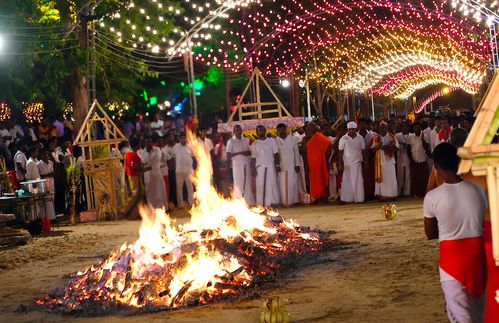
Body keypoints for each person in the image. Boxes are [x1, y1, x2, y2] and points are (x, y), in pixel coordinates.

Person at [423, 143, 486, 322]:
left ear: (435, 166)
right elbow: (481, 222)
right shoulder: (477, 191)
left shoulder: (432, 197)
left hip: (452, 262)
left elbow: (429, 233)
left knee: (461, 316)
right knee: (479, 314)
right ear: (459, 161)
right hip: (478, 259)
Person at [251, 125, 279, 207]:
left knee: (271, 184)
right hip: (259, 168)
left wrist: (277, 165)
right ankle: (260, 204)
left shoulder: (272, 141)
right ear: (257, 132)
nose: (261, 132)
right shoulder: (254, 144)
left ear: (265, 131)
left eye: (263, 130)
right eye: (259, 130)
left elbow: (276, 154)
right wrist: (253, 169)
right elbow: (253, 158)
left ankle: (271, 203)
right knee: (260, 186)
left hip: (270, 166)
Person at [338, 122, 366, 203]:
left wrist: (366, 161)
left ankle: (359, 199)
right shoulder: (343, 138)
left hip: (357, 163)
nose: (351, 131)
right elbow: (340, 152)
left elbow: (364, 150)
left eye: (353, 129)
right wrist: (340, 164)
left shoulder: (360, 138)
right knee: (347, 181)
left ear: (355, 129)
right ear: (347, 130)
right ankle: (347, 199)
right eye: (350, 129)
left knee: (358, 181)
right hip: (347, 164)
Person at [227, 125, 254, 205]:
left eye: (240, 129)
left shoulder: (246, 140)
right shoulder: (231, 141)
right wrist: (240, 153)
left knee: (247, 182)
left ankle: (249, 202)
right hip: (236, 166)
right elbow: (228, 155)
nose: (239, 131)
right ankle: (238, 203)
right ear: (234, 131)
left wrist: (246, 153)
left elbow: (251, 152)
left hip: (246, 164)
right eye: (237, 130)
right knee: (238, 183)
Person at [372, 121, 399, 200]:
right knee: (383, 180)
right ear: (379, 128)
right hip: (380, 161)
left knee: (391, 179)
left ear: (387, 128)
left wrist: (388, 148)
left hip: (390, 161)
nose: (383, 128)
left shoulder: (392, 137)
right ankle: (383, 195)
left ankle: (392, 195)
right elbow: (373, 149)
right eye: (381, 127)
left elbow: (397, 148)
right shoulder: (376, 138)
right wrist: (378, 146)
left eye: (384, 127)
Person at [276, 123, 300, 207]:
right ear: (277, 131)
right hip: (281, 166)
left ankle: (294, 201)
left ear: (286, 129)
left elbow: (296, 152)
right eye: (279, 130)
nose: (281, 131)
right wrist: (277, 165)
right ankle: (283, 202)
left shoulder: (292, 139)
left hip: (291, 165)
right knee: (281, 184)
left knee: (293, 183)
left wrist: (297, 164)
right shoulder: (275, 140)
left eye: (283, 129)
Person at [305, 123, 331, 202]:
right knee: (313, 179)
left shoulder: (319, 136)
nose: (310, 130)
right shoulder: (305, 139)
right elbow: (304, 151)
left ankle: (322, 196)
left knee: (321, 178)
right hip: (311, 163)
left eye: (312, 128)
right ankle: (316, 196)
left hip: (320, 162)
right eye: (309, 128)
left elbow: (328, 144)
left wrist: (325, 159)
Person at [143, 136, 168, 210]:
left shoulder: (157, 150)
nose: (149, 143)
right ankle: (151, 209)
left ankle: (162, 209)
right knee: (149, 193)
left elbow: (153, 160)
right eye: (147, 142)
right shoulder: (143, 151)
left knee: (159, 192)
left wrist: (146, 165)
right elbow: (143, 161)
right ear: (145, 143)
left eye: (150, 142)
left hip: (156, 174)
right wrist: (147, 154)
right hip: (147, 176)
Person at [406, 122, 428, 197]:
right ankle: (416, 193)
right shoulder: (410, 137)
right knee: (415, 178)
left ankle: (424, 193)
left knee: (423, 178)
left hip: (422, 159)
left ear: (421, 128)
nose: (417, 129)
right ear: (414, 129)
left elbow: (426, 147)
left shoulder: (425, 136)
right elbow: (408, 149)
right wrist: (411, 159)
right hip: (414, 159)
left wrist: (423, 139)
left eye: (418, 127)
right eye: (415, 128)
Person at [172, 133, 194, 208]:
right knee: (179, 188)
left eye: (184, 138)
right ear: (180, 139)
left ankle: (191, 203)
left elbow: (193, 157)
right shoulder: (175, 147)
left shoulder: (190, 147)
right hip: (179, 171)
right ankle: (180, 204)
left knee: (190, 187)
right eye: (182, 138)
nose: (183, 140)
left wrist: (194, 168)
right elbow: (173, 158)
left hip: (189, 170)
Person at [37, 150, 56, 232]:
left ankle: (51, 220)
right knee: (45, 205)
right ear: (41, 156)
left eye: (47, 155)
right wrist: (48, 174)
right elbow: (39, 176)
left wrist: (51, 174)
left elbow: (53, 172)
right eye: (44, 155)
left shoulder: (51, 162)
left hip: (51, 184)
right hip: (44, 185)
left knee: (52, 202)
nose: (46, 156)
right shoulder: (38, 164)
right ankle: (45, 223)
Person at [395, 122, 411, 196]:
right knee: (400, 175)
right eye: (403, 126)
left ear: (408, 127)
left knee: (408, 175)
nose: (405, 128)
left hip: (408, 157)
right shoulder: (397, 135)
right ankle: (398, 191)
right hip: (400, 157)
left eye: (406, 126)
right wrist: (401, 145)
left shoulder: (411, 135)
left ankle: (407, 192)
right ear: (401, 127)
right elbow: (395, 145)